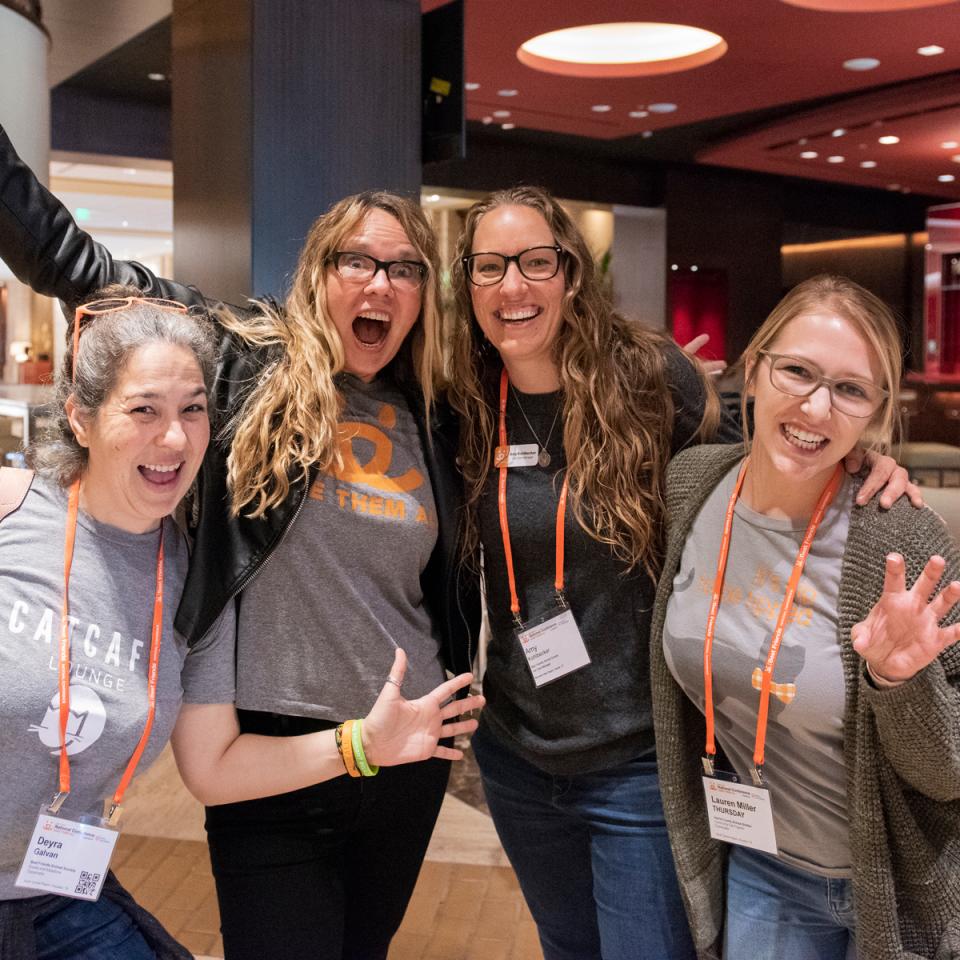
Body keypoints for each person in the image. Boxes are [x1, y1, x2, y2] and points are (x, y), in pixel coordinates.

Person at [0, 125, 481, 960]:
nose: (381, 283)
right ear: (318, 274)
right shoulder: (240, 361)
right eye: (358, 261)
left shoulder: (437, 416)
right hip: (270, 754)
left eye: (405, 268)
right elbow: (74, 263)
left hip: (405, 755)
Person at [445, 188, 919, 960]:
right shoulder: (462, 398)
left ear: (571, 272)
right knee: (566, 946)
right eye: (489, 266)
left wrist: (856, 457)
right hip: (516, 751)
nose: (513, 285)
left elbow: (756, 469)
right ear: (466, 283)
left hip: (637, 757)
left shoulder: (645, 376)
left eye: (535, 262)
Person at [652, 275, 960, 960]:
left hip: (901, 886)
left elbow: (948, 774)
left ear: (876, 412)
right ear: (754, 368)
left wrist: (898, 683)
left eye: (851, 389)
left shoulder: (903, 540)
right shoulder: (692, 484)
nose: (816, 408)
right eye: (797, 371)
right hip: (767, 870)